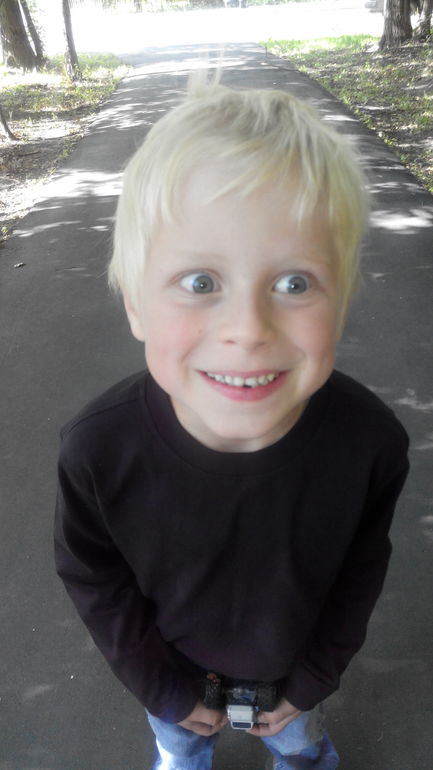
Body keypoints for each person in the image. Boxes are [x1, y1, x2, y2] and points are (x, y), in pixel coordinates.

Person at [54, 79, 409, 770]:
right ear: (135, 306)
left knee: (300, 750)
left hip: (295, 681)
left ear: (341, 303)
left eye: (294, 283)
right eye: (200, 282)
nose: (247, 329)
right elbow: (94, 579)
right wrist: (159, 687)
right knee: (182, 749)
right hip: (169, 678)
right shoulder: (98, 450)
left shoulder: (369, 444)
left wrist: (311, 682)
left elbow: (360, 570)